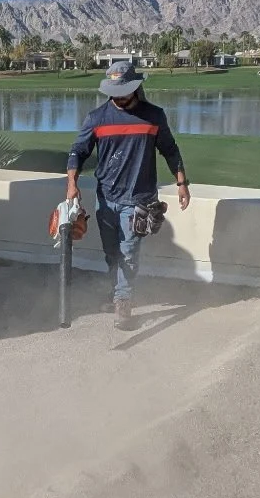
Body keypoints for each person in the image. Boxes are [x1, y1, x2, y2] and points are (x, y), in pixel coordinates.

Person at [66, 58, 190, 328]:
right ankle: (118, 293)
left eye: (123, 92)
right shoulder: (97, 118)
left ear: (135, 88)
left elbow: (170, 149)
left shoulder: (154, 116)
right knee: (111, 252)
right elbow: (78, 151)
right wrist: (72, 184)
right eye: (114, 94)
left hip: (139, 200)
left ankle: (123, 300)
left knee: (128, 251)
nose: (119, 98)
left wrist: (181, 183)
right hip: (106, 198)